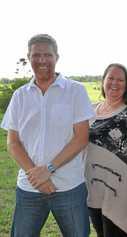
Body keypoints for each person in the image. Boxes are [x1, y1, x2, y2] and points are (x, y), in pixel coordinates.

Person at [0, 34, 95, 237]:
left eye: (47, 55)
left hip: (69, 186)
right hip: (29, 188)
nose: (42, 60)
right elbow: (13, 142)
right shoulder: (20, 96)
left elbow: (81, 138)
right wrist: (37, 176)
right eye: (36, 55)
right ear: (29, 57)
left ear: (56, 57)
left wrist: (49, 169)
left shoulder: (75, 91)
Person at [85, 63, 127, 237]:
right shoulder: (91, 109)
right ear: (103, 81)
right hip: (94, 189)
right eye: (111, 78)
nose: (114, 83)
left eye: (120, 80)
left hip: (123, 193)